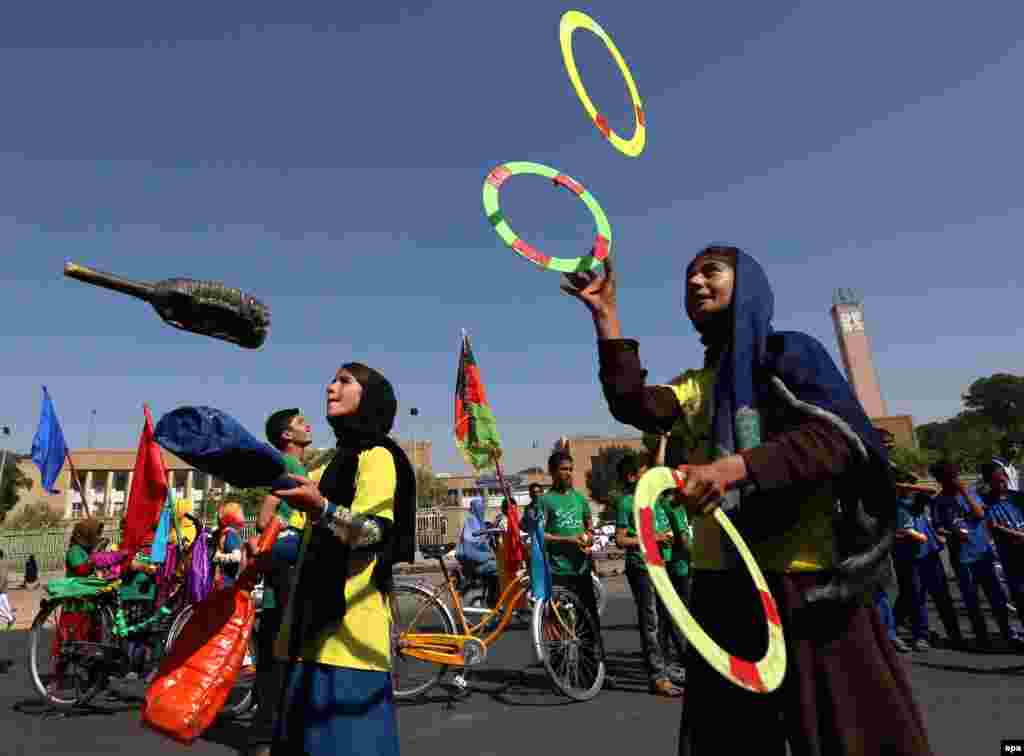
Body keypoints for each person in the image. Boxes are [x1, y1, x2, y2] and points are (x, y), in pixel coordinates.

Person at [563, 246, 933, 754]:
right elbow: (635, 403)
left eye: (710, 270)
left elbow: (838, 440)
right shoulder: (696, 385)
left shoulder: (790, 354)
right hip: (723, 592)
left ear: (749, 285)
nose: (694, 281)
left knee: (851, 737)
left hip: (809, 587)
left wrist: (734, 468)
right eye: (688, 274)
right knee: (725, 742)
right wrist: (606, 317)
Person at [269, 362, 415, 756]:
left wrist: (322, 509)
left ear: (368, 397)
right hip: (308, 634)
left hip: (349, 640)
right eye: (332, 380)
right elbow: (307, 541)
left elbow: (372, 533)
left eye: (344, 381)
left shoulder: (377, 456)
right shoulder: (330, 462)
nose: (330, 387)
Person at [245, 408, 313, 756]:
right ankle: (266, 736)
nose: (308, 426)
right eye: (301, 423)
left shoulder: (298, 468)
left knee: (280, 647)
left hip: (288, 567)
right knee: (283, 650)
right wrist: (284, 532)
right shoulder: (290, 467)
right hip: (287, 567)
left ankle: (271, 732)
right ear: (287, 435)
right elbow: (264, 515)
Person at [929, 460, 1021, 650]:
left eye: (956, 476)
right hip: (962, 557)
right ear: (941, 480)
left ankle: (1008, 633)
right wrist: (950, 533)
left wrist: (963, 493)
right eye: (950, 478)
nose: (955, 480)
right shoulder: (939, 502)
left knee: (996, 596)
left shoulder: (970, 494)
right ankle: (981, 636)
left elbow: (980, 515)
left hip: (982, 553)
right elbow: (938, 528)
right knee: (971, 599)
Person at [614, 452, 682, 697]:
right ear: (632, 477)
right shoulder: (625, 503)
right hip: (642, 568)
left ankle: (667, 667)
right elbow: (620, 539)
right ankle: (657, 676)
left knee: (668, 620)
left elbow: (661, 468)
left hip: (664, 566)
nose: (650, 476)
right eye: (644, 472)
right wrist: (655, 538)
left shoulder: (655, 500)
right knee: (651, 622)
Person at [539, 450, 611, 681]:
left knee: (588, 624)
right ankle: (560, 675)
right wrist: (568, 540)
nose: (568, 473)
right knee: (558, 626)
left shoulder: (580, 499)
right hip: (557, 573)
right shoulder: (545, 501)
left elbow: (589, 528)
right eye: (563, 469)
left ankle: (591, 673)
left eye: (570, 469)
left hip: (581, 571)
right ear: (552, 472)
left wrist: (588, 538)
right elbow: (541, 535)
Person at [895, 492, 964, 650]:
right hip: (912, 558)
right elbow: (905, 531)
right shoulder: (901, 507)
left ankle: (954, 634)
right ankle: (921, 635)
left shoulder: (924, 507)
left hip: (931, 555)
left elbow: (930, 492)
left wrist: (939, 535)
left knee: (942, 595)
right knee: (917, 597)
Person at [980, 464, 1024, 620]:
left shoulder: (1018, 497)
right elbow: (995, 528)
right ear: (989, 482)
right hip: (1010, 556)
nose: (1003, 482)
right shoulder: (987, 503)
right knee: (1019, 593)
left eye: (1004, 478)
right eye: (997, 480)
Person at [455, 497, 498, 604]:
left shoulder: (478, 522)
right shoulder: (471, 520)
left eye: (482, 508)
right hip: (476, 563)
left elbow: (481, 538)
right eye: (480, 508)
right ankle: (493, 599)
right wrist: (489, 556)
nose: (482, 510)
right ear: (474, 509)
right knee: (500, 567)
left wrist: (491, 530)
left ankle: (493, 597)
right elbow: (472, 546)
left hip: (479, 561)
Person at [212, 501, 246, 589]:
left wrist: (218, 557)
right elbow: (237, 556)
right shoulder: (230, 533)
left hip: (226, 582)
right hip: (226, 582)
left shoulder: (229, 533)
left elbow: (236, 557)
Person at [0, 549, 13, 630]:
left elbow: (2, 576)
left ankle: (10, 618)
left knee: (3, 602)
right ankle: (10, 615)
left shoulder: (1, 564)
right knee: (4, 601)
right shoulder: (4, 562)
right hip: (3, 587)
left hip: (1, 587)